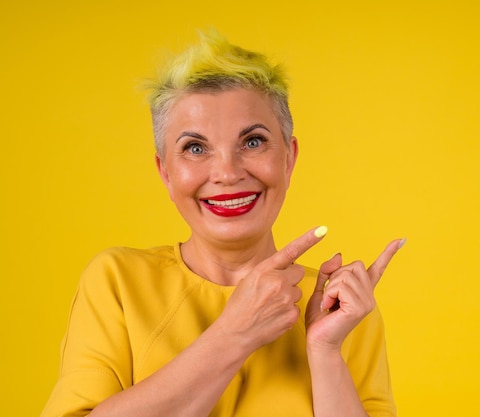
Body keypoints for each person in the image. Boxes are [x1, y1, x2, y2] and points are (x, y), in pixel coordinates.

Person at [41, 30, 404, 417]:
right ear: (165, 172)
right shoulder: (117, 282)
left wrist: (325, 350)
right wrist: (234, 334)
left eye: (252, 142)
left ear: (288, 158)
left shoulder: (341, 307)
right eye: (195, 148)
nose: (227, 174)